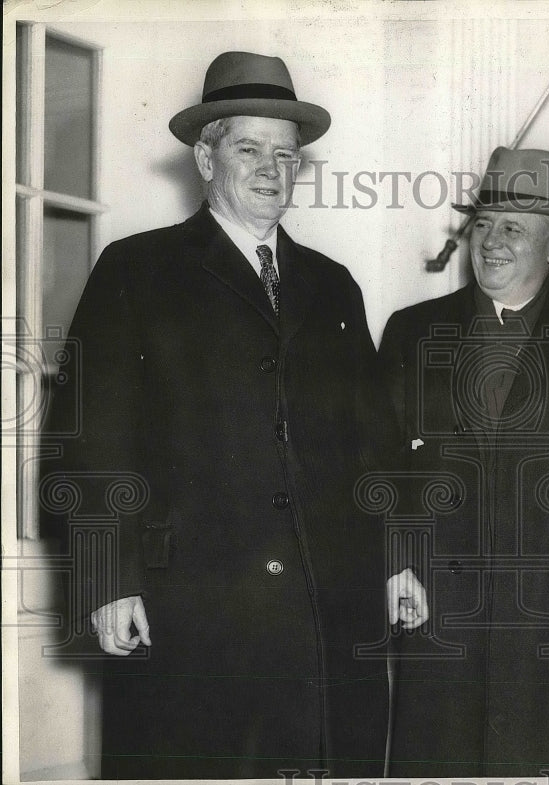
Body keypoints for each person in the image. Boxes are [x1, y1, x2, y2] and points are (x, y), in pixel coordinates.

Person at [40, 51, 423, 779]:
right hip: (193, 613)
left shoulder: (332, 286)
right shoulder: (137, 270)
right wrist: (104, 579)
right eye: (250, 148)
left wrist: (400, 556)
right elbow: (88, 441)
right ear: (205, 157)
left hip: (328, 615)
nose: (272, 169)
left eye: (288, 155)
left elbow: (376, 441)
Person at [378, 147, 549, 777]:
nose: (491, 241)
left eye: (514, 227)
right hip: (435, 623)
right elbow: (379, 467)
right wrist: (395, 562)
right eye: (484, 223)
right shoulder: (411, 333)